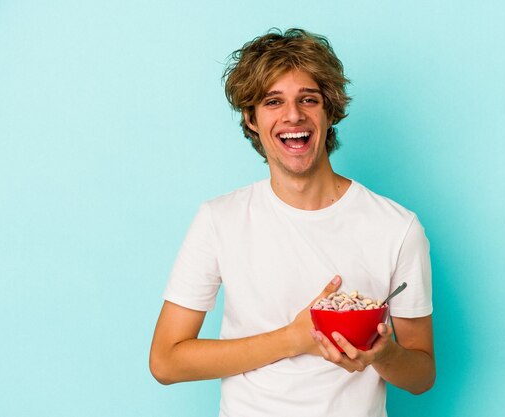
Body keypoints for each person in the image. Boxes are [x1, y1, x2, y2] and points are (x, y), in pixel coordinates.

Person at [149, 28, 435, 417]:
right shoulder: (220, 219)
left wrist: (382, 355)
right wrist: (294, 338)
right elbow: (166, 361)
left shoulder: (397, 227)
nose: (293, 115)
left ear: (329, 111)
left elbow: (421, 374)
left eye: (308, 99)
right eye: (273, 101)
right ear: (251, 118)